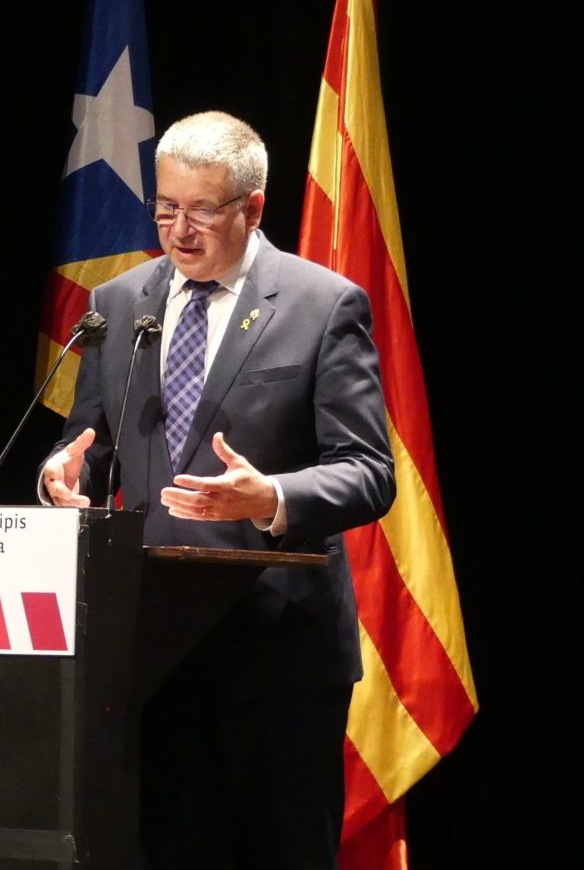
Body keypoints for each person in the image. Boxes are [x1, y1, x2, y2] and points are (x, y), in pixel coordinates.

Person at [40, 110, 395, 869]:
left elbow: (369, 470)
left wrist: (269, 495)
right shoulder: (119, 303)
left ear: (253, 207)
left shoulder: (322, 305)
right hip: (149, 654)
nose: (178, 231)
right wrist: (60, 478)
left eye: (201, 210)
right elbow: (90, 451)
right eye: (166, 208)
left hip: (276, 657)